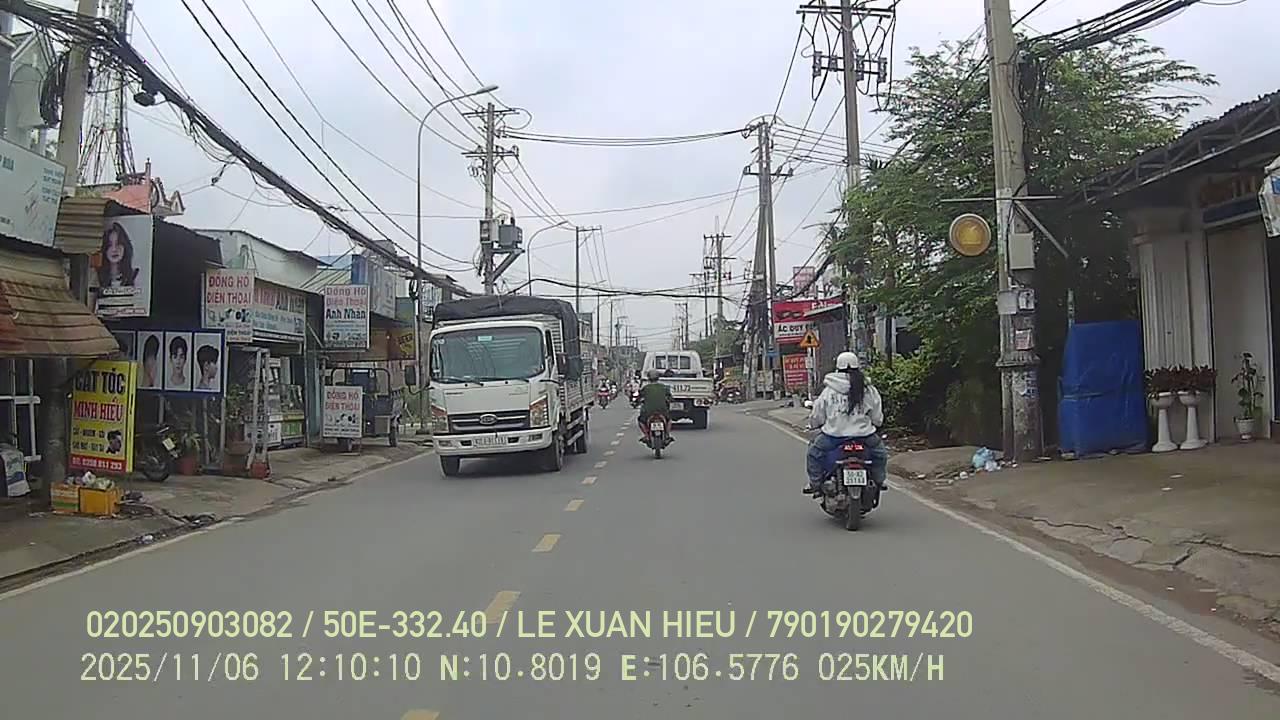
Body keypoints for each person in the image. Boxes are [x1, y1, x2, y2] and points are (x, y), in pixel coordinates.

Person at [804, 351, 889, 494]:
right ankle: (879, 481)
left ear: (838, 367)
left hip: (834, 436)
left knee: (814, 453)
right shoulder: (868, 389)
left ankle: (815, 484)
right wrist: (876, 423)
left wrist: (814, 424)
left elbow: (818, 415)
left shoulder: (829, 391)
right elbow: (877, 417)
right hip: (864, 436)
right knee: (880, 454)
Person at [636, 368, 674, 442]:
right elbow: (670, 397)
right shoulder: (664, 387)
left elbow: (639, 397)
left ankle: (646, 436)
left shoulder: (646, 388)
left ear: (649, 378)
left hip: (648, 412)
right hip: (662, 411)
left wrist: (637, 402)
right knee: (669, 420)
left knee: (640, 421)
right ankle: (667, 435)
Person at [97, 222, 139, 288]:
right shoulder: (96, 277)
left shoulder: (134, 276)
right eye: (109, 245)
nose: (114, 249)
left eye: (118, 243)